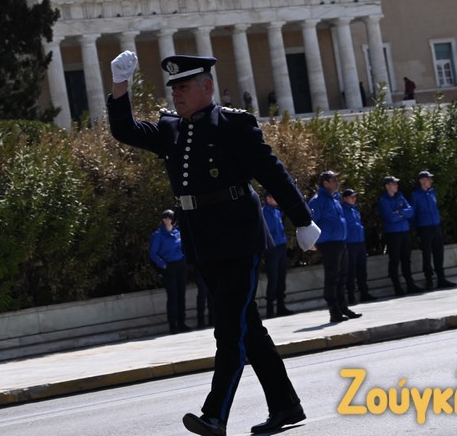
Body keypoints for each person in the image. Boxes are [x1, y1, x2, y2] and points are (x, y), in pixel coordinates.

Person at [107, 51, 321, 436]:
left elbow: (272, 172)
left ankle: (215, 416)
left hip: (239, 238)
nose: (176, 94)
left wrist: (302, 219)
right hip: (202, 241)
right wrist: (120, 85)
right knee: (247, 329)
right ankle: (286, 404)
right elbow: (125, 130)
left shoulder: (234, 125)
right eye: (173, 88)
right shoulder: (171, 129)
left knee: (229, 331)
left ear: (207, 86)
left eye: (184, 86)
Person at [309, 171, 361, 322]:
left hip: (340, 242)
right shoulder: (318, 201)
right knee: (332, 277)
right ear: (325, 183)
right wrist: (312, 241)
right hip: (328, 243)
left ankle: (343, 307)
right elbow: (311, 222)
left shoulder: (334, 199)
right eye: (334, 180)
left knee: (342, 276)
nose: (337, 182)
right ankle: (334, 311)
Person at [410, 170, 456, 290]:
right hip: (424, 228)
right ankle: (429, 280)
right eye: (427, 179)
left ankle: (441, 278)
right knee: (426, 254)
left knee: (439, 253)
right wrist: (416, 228)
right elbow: (413, 213)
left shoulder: (432, 192)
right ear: (421, 181)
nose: (430, 181)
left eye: (430, 179)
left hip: (436, 226)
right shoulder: (416, 195)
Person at [149, 209, 191, 334]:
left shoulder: (177, 233)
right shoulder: (158, 235)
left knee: (181, 295)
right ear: (164, 220)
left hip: (180, 265)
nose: (171, 221)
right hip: (169, 266)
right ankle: (173, 325)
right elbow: (153, 253)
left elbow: (184, 247)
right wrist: (162, 264)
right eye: (169, 218)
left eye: (173, 219)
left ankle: (182, 323)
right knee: (173, 296)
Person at [379, 176, 422, 296]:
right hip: (393, 233)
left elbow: (410, 211)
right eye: (394, 184)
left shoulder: (400, 196)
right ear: (387, 186)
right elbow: (391, 218)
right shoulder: (384, 200)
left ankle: (410, 284)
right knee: (394, 260)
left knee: (406, 259)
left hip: (404, 231)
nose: (396, 186)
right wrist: (402, 214)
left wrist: (399, 212)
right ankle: (397, 287)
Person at [340, 188, 376, 304]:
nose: (354, 199)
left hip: (360, 241)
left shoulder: (355, 209)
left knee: (362, 269)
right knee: (351, 270)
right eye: (351, 197)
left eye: (354, 197)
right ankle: (351, 295)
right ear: (345, 198)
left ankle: (364, 292)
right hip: (350, 243)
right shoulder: (342, 210)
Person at [261, 192, 293, 318]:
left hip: (281, 246)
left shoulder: (277, 212)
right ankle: (270, 308)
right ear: (268, 199)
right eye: (273, 197)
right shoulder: (263, 212)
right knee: (273, 278)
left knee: (281, 277)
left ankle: (281, 306)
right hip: (272, 249)